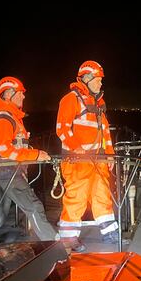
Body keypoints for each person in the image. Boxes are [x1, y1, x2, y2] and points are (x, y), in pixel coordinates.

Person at [0, 76, 58, 253]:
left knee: (0, 213)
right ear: (9, 94)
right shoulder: (3, 118)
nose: (24, 97)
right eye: (21, 93)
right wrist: (37, 154)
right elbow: (7, 151)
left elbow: (14, 148)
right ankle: (54, 248)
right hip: (6, 172)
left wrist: (31, 155)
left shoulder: (9, 116)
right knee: (34, 206)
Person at [55, 60, 116, 251]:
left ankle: (109, 231)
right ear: (87, 79)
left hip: (98, 160)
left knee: (102, 195)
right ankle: (68, 238)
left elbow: (105, 131)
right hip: (77, 161)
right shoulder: (70, 99)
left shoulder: (98, 102)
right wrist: (77, 148)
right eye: (97, 80)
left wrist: (110, 155)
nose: (100, 84)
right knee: (76, 198)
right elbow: (62, 129)